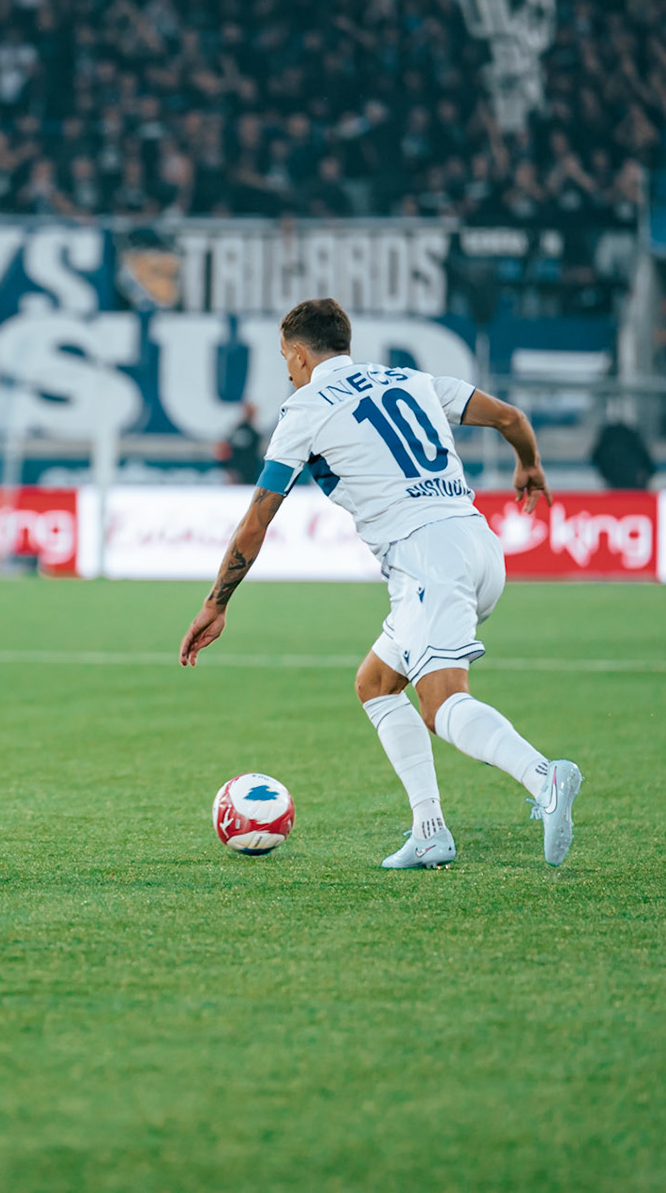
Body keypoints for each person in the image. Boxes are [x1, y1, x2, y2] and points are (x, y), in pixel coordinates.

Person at [177, 298, 581, 869]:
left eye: (286, 358)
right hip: (478, 544)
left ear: (299, 354)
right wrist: (529, 465)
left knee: (442, 704)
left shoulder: (305, 407)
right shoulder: (413, 380)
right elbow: (512, 418)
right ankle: (430, 830)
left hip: (426, 559)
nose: (287, 371)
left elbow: (256, 521)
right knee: (376, 684)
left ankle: (543, 777)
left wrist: (216, 603)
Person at [217, 403, 264, 485]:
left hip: (250, 470)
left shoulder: (253, 432)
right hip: (237, 470)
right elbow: (224, 450)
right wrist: (227, 468)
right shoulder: (239, 430)